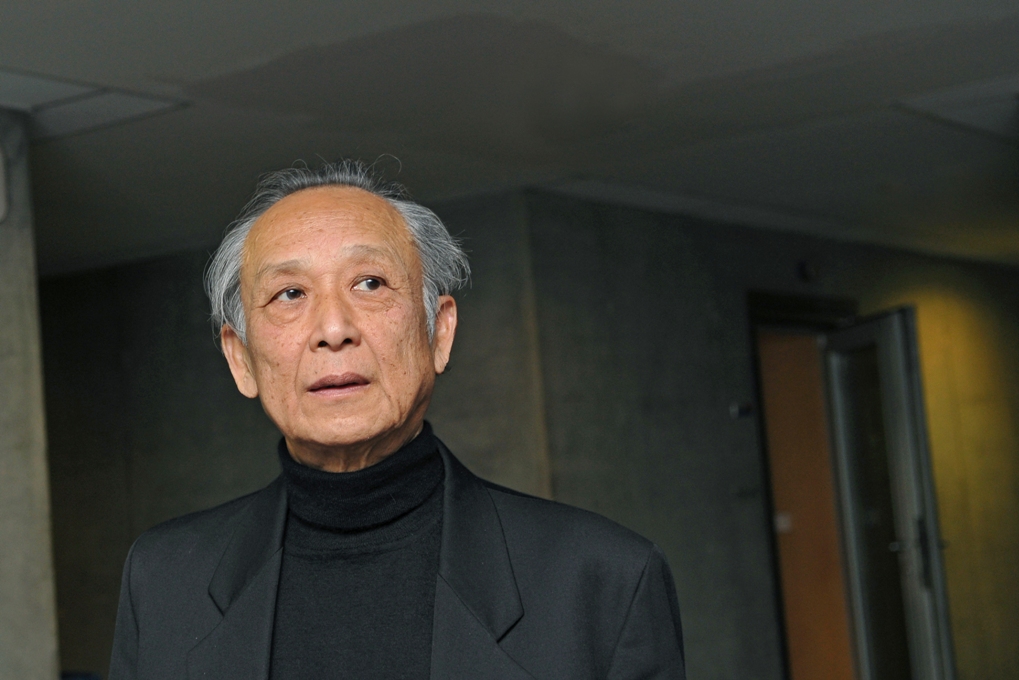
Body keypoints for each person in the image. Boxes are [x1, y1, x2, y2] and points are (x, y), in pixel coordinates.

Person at [108, 161, 686, 679]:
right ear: (241, 359)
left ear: (440, 332)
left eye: (370, 283)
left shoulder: (602, 578)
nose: (333, 328)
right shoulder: (164, 580)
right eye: (289, 293)